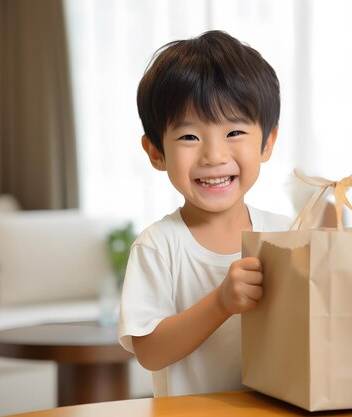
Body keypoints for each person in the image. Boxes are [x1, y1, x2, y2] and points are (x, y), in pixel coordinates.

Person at [118, 30, 291, 397]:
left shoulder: (286, 235)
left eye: (235, 132)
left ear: (268, 142)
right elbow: (149, 352)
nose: (214, 156)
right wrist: (220, 303)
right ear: (155, 153)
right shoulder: (158, 246)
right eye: (189, 137)